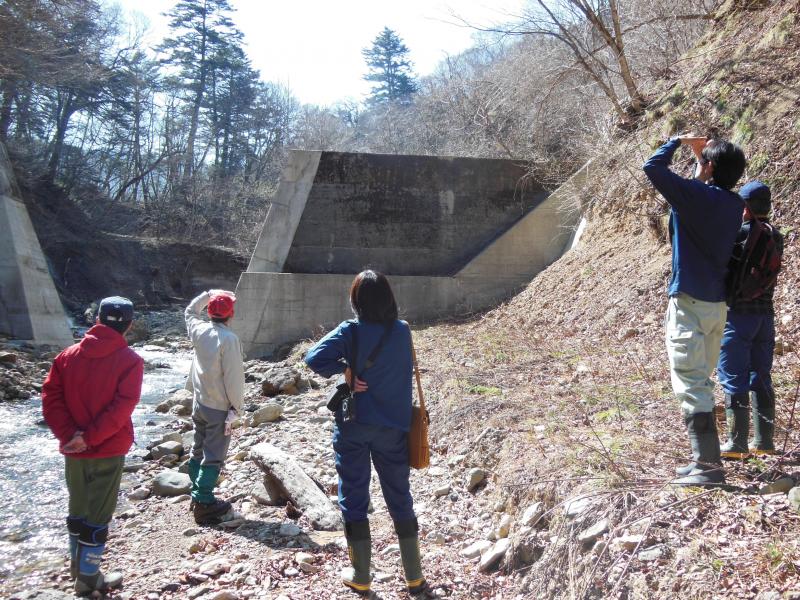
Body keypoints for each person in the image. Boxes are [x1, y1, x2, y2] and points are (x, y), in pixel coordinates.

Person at [304, 270, 432, 597]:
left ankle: (361, 574)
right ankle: (414, 577)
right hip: (394, 428)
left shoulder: (351, 331)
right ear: (389, 298)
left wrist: (346, 369)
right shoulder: (402, 331)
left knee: (355, 496)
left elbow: (314, 358)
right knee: (400, 497)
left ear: (356, 300)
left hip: (354, 427)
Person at [643, 134, 746, 486]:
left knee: (690, 382)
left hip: (689, 302)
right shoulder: (733, 204)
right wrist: (705, 169)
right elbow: (691, 203)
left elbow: (652, 167)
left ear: (711, 167)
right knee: (701, 379)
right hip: (717, 307)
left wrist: (677, 140)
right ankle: (703, 460)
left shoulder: (697, 198)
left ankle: (708, 467)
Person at [41, 296, 144, 595]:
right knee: (98, 514)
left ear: (96, 319)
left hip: (73, 450)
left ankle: (77, 569)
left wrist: (70, 435)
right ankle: (88, 578)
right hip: (108, 449)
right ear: (130, 325)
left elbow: (50, 398)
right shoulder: (131, 361)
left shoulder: (66, 356)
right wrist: (90, 437)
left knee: (78, 505)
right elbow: (122, 407)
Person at [717, 181, 783, 458]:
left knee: (733, 377)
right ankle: (764, 441)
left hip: (737, 317)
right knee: (762, 376)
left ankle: (737, 444)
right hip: (765, 317)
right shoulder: (775, 235)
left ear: (744, 207)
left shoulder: (737, 234)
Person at [184, 290, 245, 525]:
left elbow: (190, 311)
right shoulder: (229, 340)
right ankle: (204, 502)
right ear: (231, 314)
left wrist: (207, 294)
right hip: (218, 407)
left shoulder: (198, 330)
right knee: (214, 455)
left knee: (197, 449)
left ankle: (196, 493)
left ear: (209, 312)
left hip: (199, 403)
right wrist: (236, 407)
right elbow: (234, 378)